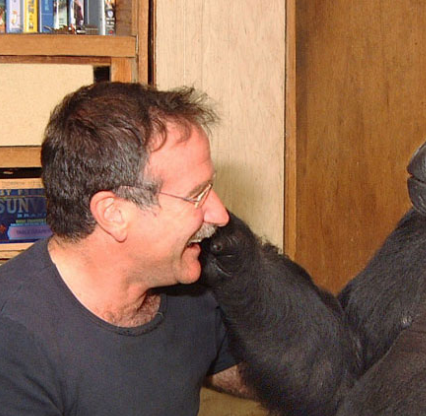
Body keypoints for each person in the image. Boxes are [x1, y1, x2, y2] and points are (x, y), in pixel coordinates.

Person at [0, 82, 250, 415]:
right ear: (114, 214)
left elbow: (262, 374)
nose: (220, 215)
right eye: (196, 195)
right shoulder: (14, 337)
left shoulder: (189, 287)